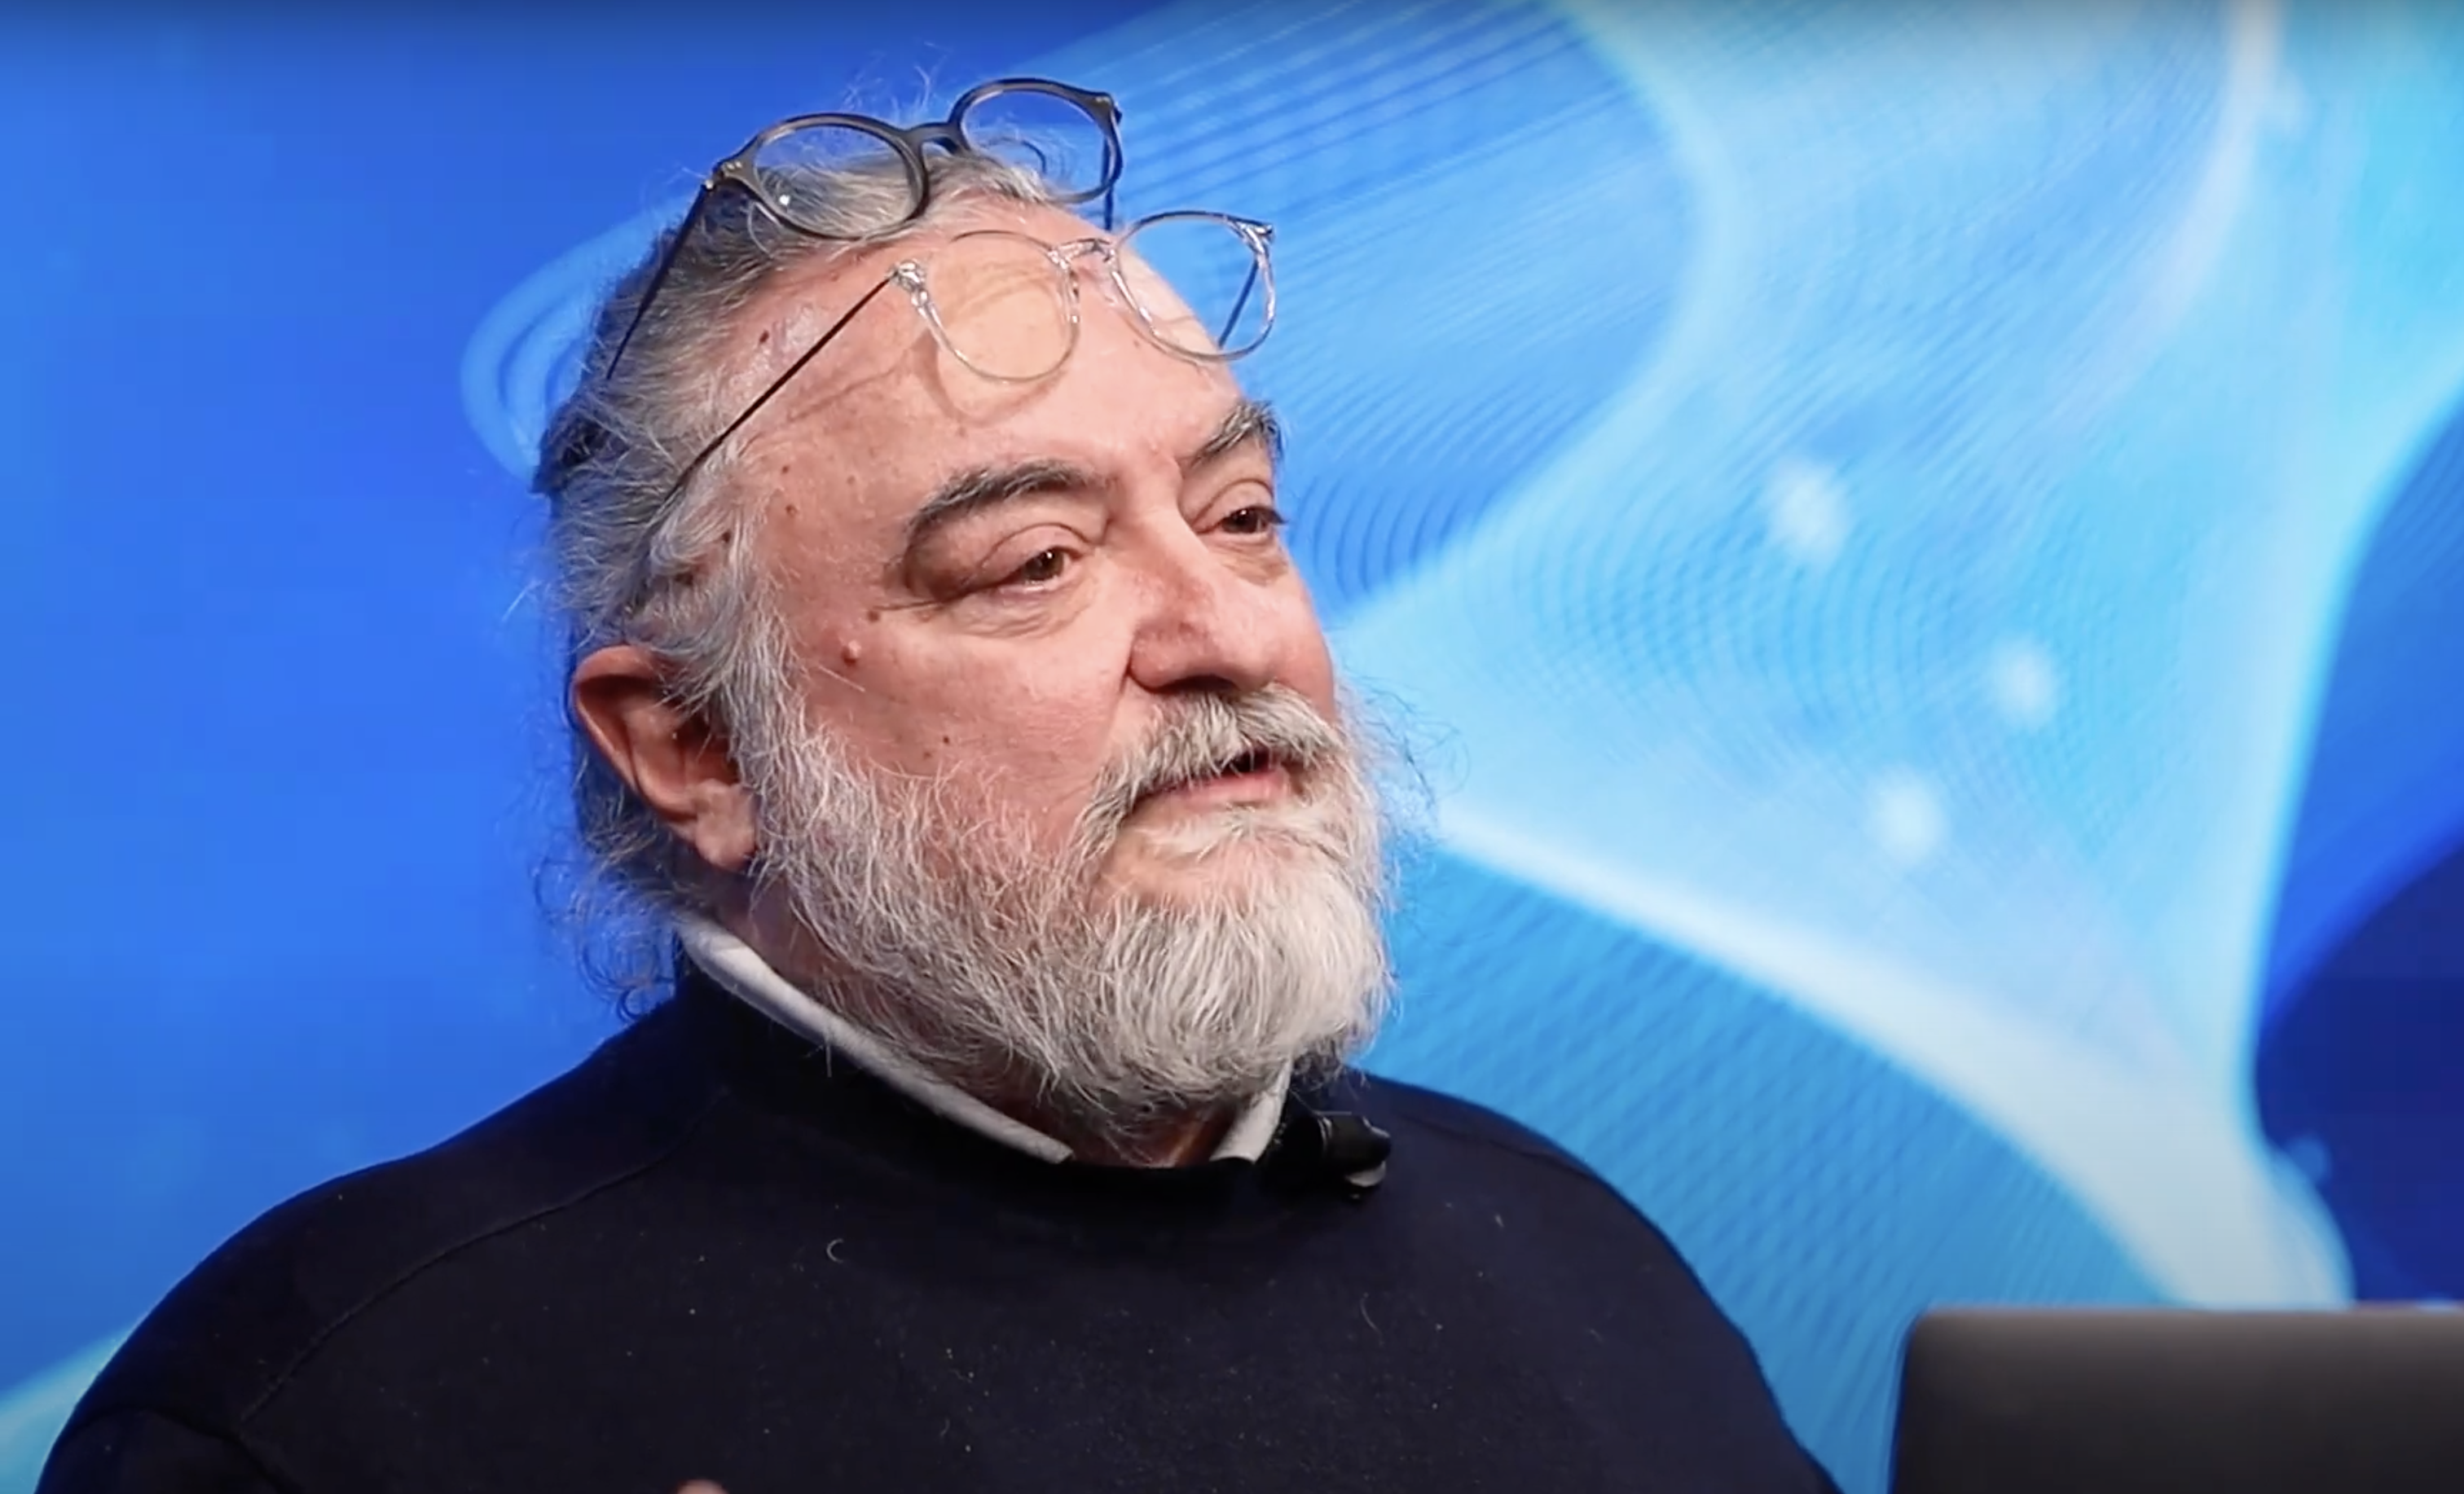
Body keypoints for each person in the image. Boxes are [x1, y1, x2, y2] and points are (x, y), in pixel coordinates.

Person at [40, 77, 1838, 1493]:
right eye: (1036, 560)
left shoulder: (1572, 1251)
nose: (1226, 630)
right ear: (697, 748)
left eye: (1241, 517)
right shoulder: (348, 1405)